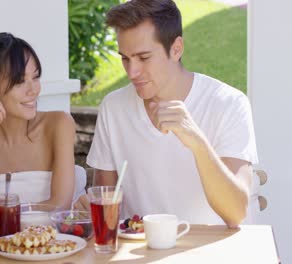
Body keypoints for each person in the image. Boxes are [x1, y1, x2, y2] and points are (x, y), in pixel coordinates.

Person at [86, 0, 258, 227]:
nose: (132, 71)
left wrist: (197, 143)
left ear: (176, 48)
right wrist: (88, 207)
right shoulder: (113, 107)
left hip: (210, 250)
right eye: (125, 58)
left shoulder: (228, 104)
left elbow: (236, 213)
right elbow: (107, 207)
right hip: (139, 251)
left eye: (143, 57)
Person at [0, 33, 80, 222]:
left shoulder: (59, 125)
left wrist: (7, 211)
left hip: (55, 246)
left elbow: (60, 206)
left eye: (35, 77)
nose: (33, 90)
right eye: (19, 81)